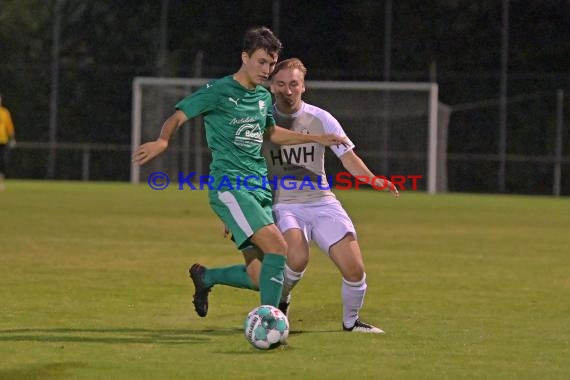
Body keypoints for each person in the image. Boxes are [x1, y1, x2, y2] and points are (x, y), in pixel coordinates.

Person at [132, 27, 348, 317]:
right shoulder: (219, 91)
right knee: (278, 248)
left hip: (258, 189)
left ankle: (206, 277)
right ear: (245, 57)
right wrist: (162, 140)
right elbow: (178, 116)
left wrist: (318, 138)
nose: (267, 69)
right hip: (230, 186)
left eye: (271, 64)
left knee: (261, 277)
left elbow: (273, 134)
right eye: (261, 62)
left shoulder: (262, 96)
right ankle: (270, 322)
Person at [262, 58, 399, 333]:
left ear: (304, 86)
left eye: (294, 84)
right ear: (271, 86)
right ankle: (283, 300)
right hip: (284, 203)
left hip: (322, 201)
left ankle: (351, 323)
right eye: (281, 84)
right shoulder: (263, 119)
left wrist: (372, 179)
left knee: (354, 269)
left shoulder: (321, 118)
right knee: (297, 257)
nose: (288, 90)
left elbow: (347, 156)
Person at [0, 93, 16, 192]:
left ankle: (0, 182)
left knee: (2, 162)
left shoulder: (5, 112)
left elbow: (9, 127)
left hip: (3, 141)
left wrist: (12, 138)